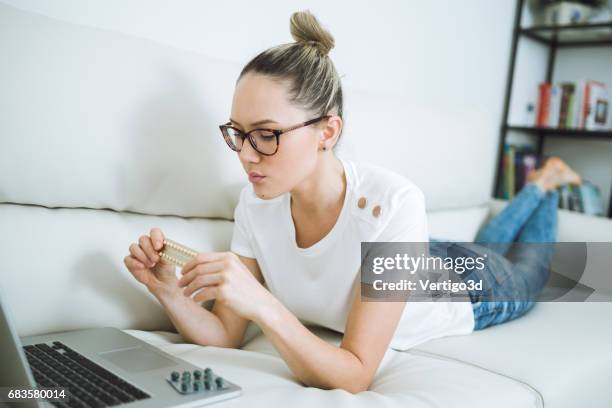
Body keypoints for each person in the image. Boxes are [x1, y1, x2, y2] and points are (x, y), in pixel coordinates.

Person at [123, 10, 582, 393]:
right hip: (407, 256)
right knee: (490, 243)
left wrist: (261, 303)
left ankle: (544, 185)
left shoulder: (396, 200)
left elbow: (357, 372)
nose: (245, 154)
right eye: (238, 134)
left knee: (531, 267)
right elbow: (225, 333)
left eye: (265, 135)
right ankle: (541, 183)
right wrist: (166, 291)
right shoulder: (256, 203)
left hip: (466, 287)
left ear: (328, 131)